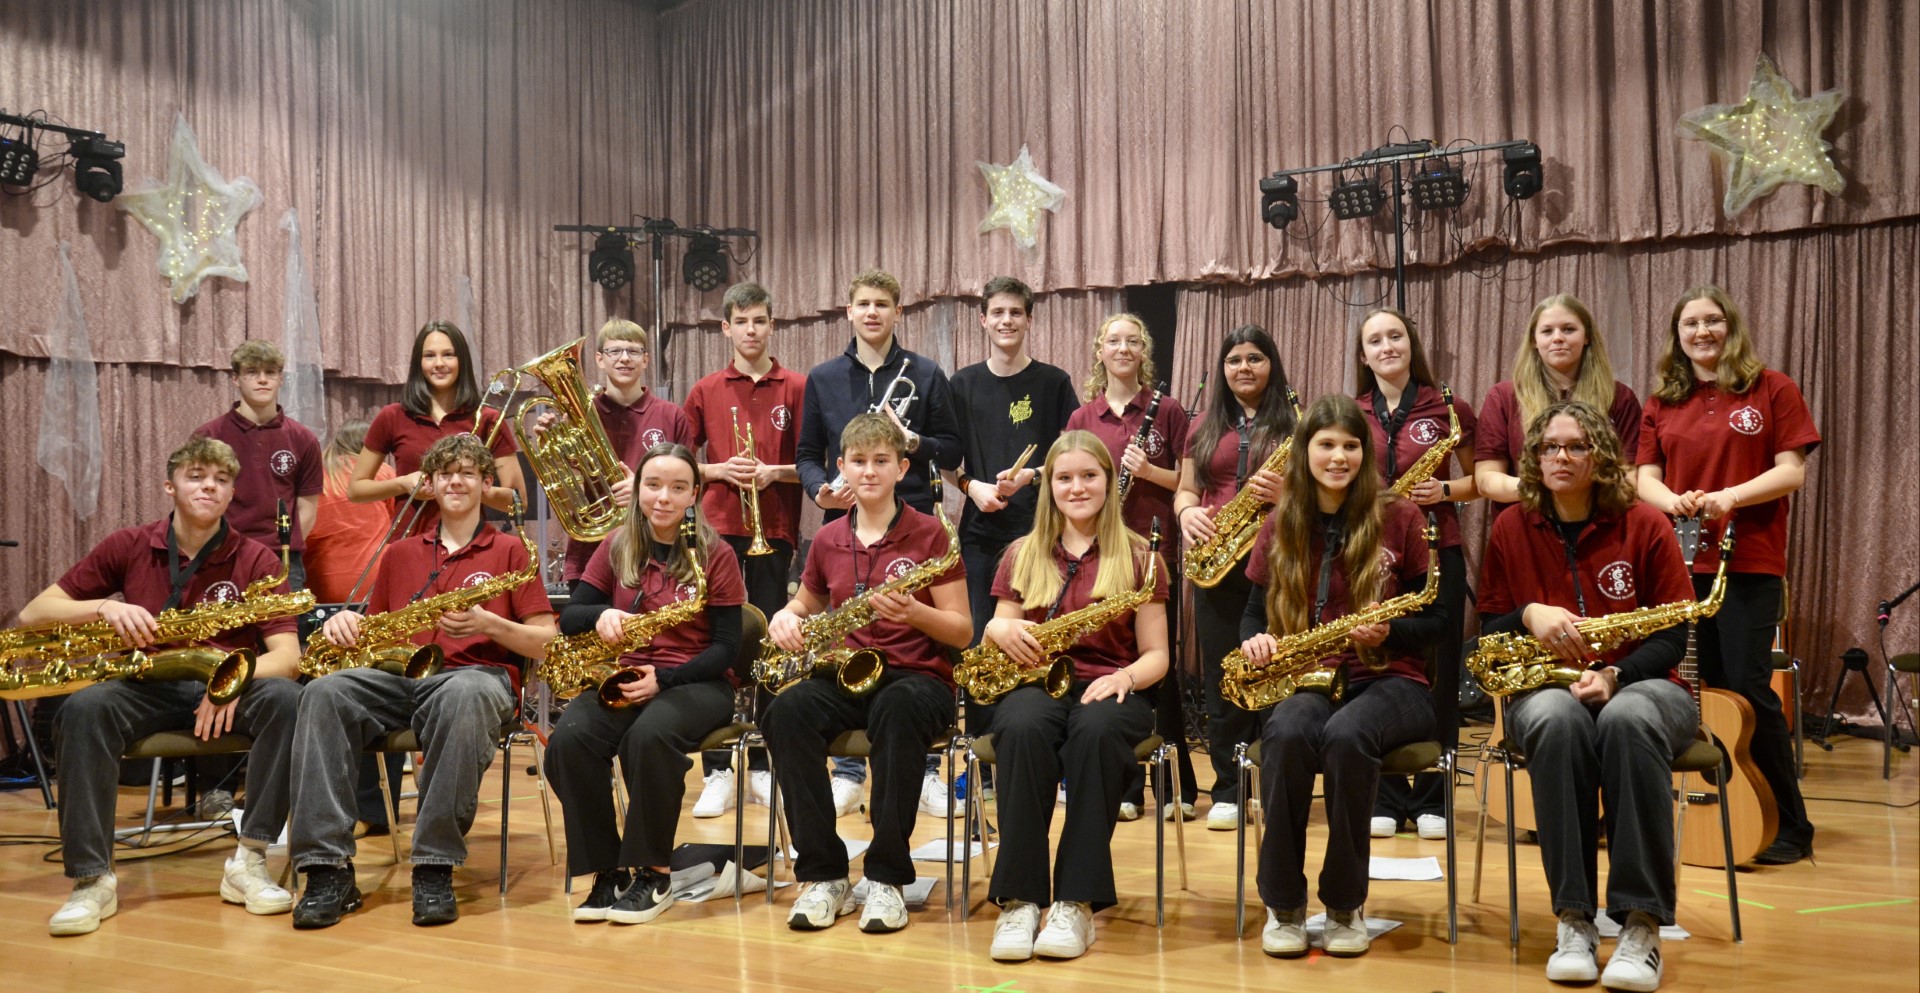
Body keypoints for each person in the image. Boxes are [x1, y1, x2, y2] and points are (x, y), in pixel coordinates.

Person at [21, 437, 303, 936]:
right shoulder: (128, 544)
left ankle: (249, 860)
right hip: (146, 684)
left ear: (231, 493)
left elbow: (288, 658)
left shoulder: (257, 558)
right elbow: (33, 613)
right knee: (83, 709)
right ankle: (92, 879)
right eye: (197, 476)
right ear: (170, 486)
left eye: (221, 480)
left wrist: (229, 681)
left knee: (287, 699)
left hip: (223, 686)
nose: (209, 487)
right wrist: (103, 607)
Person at [289, 434, 555, 929]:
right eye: (445, 473)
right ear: (428, 484)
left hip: (476, 678)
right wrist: (346, 626)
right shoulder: (399, 553)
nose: (456, 481)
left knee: (465, 692)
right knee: (323, 693)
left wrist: (490, 624)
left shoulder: (512, 550)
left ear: (485, 483)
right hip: (400, 679)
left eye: (468, 473)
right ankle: (326, 869)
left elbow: (547, 641)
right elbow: (375, 634)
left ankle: (434, 864)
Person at [1481, 400, 1698, 991]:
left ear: (1599, 456)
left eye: (1576, 446)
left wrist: (1615, 676)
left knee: (1626, 719)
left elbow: (1672, 635)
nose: (1561, 457)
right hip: (1545, 689)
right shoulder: (1510, 527)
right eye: (1549, 447)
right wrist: (1528, 613)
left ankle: (1641, 924)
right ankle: (1574, 919)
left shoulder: (1644, 522)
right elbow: (1489, 629)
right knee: (1556, 719)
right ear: (1534, 457)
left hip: (1649, 687)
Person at [1239, 394, 1444, 959]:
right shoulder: (1280, 522)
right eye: (1325, 444)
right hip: (1309, 676)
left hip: (1394, 680)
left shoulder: (1401, 517)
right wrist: (1254, 641)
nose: (1338, 457)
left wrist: (1389, 632)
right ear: (1304, 452)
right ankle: (1283, 904)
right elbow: (1252, 614)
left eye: (1350, 445)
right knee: (1285, 733)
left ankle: (1343, 903)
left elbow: (1440, 619)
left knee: (1348, 736)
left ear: (1365, 453)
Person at [762, 413, 970, 935]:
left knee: (898, 711)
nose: (870, 471)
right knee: (786, 711)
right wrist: (786, 615)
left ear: (902, 468)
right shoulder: (828, 537)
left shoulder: (932, 535)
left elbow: (963, 630)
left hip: (916, 678)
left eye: (881, 461)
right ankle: (824, 874)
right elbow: (806, 603)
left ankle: (886, 877)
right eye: (858, 461)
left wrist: (915, 614)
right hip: (844, 673)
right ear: (842, 468)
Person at [1636, 285, 1820, 866]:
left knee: (1747, 692)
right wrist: (1674, 501)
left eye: (1712, 320)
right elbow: (1644, 477)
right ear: (1677, 335)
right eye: (1690, 323)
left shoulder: (1773, 387)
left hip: (1747, 562)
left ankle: (1790, 823)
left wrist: (1728, 497)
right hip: (1679, 563)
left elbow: (1792, 471)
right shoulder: (1663, 400)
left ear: (1730, 326)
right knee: (1701, 691)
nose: (1702, 332)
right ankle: (1730, 817)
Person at [983, 431, 1169, 962]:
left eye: (1089, 475)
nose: (1077, 487)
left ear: (1109, 482)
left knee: (1096, 732)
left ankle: (1075, 902)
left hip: (1111, 684)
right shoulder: (1021, 553)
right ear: (1049, 487)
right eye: (1064, 478)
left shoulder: (1141, 556)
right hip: (1038, 682)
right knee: (1020, 726)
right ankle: (1020, 900)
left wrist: (1126, 678)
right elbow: (998, 628)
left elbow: (1158, 655)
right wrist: (998, 630)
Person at [544, 444, 746, 924]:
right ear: (636, 490)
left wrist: (666, 679)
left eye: (677, 487)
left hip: (699, 681)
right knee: (569, 740)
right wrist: (601, 615)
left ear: (694, 494)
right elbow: (571, 616)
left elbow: (727, 647)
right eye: (653, 485)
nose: (663, 497)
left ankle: (655, 873)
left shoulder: (716, 553)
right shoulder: (617, 545)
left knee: (648, 738)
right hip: (629, 674)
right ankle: (608, 871)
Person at [794, 269, 965, 819]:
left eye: (882, 304)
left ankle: (924, 772)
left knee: (907, 653)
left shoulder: (926, 372)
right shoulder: (823, 377)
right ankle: (847, 774)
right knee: (849, 636)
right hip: (844, 521)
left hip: (910, 521)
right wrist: (820, 491)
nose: (872, 312)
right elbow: (807, 453)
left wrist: (910, 440)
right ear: (849, 311)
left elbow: (952, 449)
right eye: (863, 303)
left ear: (897, 312)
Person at [947, 277, 1079, 804]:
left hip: (1043, 535)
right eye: (997, 312)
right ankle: (981, 764)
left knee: (1048, 641)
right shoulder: (961, 384)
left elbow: (1071, 454)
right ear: (983, 319)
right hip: (981, 537)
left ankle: (1056, 760)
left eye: (1015, 313)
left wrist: (1034, 476)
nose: (1006, 321)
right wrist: (971, 486)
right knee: (983, 645)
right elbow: (947, 460)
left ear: (1029, 319)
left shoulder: (1054, 383)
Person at [1351, 309, 1479, 841]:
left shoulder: (1448, 407)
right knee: (1376, 667)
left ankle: (1433, 797)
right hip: (1370, 554)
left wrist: (1444, 490)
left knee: (1441, 671)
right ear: (1363, 356)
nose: (1387, 347)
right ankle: (1384, 795)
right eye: (1375, 340)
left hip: (1436, 546)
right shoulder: (1352, 413)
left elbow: (1481, 478)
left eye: (1395, 336)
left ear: (1411, 344)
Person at [1065, 312, 1200, 818]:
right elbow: (1069, 481)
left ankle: (1176, 787)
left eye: (1133, 341)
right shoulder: (1083, 418)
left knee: (1159, 670)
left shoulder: (1168, 409)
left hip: (1156, 554)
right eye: (1114, 341)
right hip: (1100, 558)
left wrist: (1149, 472)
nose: (1123, 348)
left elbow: (1190, 482)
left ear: (1144, 352)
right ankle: (1124, 788)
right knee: (1113, 664)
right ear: (1100, 351)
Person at [681, 282, 804, 818]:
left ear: (771, 325)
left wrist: (774, 471)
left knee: (770, 646)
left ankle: (762, 764)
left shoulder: (797, 386)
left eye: (760, 320)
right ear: (726, 328)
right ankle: (717, 770)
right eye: (742, 321)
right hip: (716, 533)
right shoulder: (706, 388)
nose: (751, 330)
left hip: (772, 531)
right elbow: (680, 461)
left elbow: (817, 464)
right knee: (715, 644)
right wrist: (716, 470)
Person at [1172, 324, 1296, 831]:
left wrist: (1288, 493)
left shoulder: (1296, 423)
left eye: (1255, 358)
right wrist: (1186, 514)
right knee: (1223, 676)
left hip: (1280, 563)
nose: (1244, 368)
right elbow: (1186, 489)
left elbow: (1327, 489)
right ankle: (1227, 787)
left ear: (1272, 364)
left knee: (1274, 672)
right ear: (1222, 368)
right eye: (1234, 360)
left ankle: (1273, 784)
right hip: (1216, 563)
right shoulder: (1202, 424)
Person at [303, 418, 405, 835]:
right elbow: (400, 531)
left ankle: (324, 806)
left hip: (319, 608)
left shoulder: (318, 480)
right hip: (371, 602)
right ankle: (375, 809)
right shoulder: (381, 474)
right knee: (385, 695)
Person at [545, 318, 695, 594]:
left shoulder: (671, 414)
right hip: (590, 550)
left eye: (633, 351)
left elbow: (688, 485)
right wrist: (551, 444)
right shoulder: (577, 416)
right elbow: (566, 485)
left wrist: (640, 488)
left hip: (655, 549)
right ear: (600, 359)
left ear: (646, 359)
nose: (624, 358)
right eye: (614, 351)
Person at [350, 320, 524, 535]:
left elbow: (519, 501)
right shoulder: (392, 416)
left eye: (448, 355)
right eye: (429, 356)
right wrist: (403, 484)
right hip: (410, 543)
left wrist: (469, 487)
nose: (439, 363)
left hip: (469, 544)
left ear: (462, 361)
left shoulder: (489, 419)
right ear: (419, 363)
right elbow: (356, 490)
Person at [1475, 295, 1640, 507]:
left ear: (1587, 336)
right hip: (1525, 520)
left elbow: (1630, 476)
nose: (1558, 338)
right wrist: (1544, 486)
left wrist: (1577, 492)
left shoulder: (1620, 397)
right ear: (1534, 341)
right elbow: (1486, 479)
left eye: (1568, 329)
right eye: (1547, 331)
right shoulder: (1503, 397)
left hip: (1599, 520)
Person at [192, 340, 323, 589]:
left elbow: (307, 507)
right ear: (235, 379)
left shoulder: (303, 439)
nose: (262, 380)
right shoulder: (208, 436)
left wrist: (284, 547)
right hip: (222, 555)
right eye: (252, 372)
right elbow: (196, 502)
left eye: (270, 372)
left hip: (283, 561)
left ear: (280, 379)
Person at [303, 419, 394, 605]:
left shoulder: (314, 476)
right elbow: (399, 526)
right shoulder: (381, 472)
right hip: (374, 579)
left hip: (320, 582)